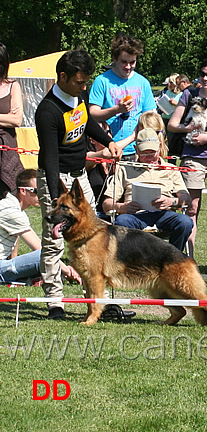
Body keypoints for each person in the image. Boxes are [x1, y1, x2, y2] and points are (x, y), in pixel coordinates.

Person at [35, 49, 122, 320]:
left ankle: (97, 302)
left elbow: (86, 124)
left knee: (93, 238)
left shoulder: (78, 96)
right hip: (55, 178)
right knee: (54, 241)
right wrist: (54, 198)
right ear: (63, 77)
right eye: (80, 82)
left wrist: (107, 141)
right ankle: (55, 302)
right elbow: (50, 158)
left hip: (79, 176)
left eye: (85, 82)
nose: (84, 87)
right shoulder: (47, 111)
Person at [167, 57, 207, 260]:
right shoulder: (188, 94)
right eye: (202, 74)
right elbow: (172, 124)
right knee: (191, 208)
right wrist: (189, 129)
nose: (205, 78)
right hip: (192, 156)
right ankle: (189, 259)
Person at [102, 128, 193, 252]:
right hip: (134, 215)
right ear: (136, 150)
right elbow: (106, 204)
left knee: (185, 222)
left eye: (153, 152)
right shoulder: (125, 169)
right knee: (121, 221)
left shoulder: (170, 169)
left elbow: (186, 199)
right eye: (145, 152)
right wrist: (122, 207)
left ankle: (173, 259)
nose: (150, 156)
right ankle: (133, 261)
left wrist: (171, 201)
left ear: (159, 148)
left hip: (163, 213)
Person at [0, 169, 80, 285]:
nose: (41, 195)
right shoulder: (12, 212)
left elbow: (16, 237)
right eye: (37, 191)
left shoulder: (10, 206)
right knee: (43, 255)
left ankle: (31, 279)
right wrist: (67, 270)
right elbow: (39, 248)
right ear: (23, 191)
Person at [89, 34, 157, 161]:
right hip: (109, 150)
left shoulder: (143, 82)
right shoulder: (102, 81)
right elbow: (92, 114)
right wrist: (117, 109)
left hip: (137, 150)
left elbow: (149, 116)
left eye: (132, 62)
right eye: (124, 62)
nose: (128, 67)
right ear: (115, 59)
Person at [0, 43, 24, 198]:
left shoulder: (13, 86)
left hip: (6, 148)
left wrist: (11, 118)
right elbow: (10, 118)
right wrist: (5, 116)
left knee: (8, 196)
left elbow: (16, 120)